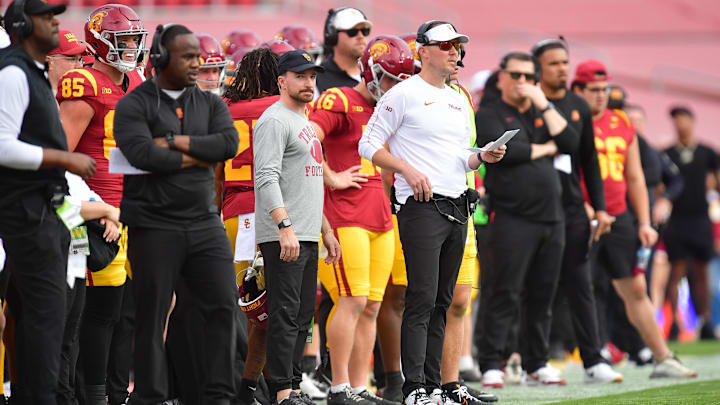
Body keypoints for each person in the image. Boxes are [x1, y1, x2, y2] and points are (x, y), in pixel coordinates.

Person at [358, 21, 504, 405]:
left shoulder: (458, 98)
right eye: (446, 46)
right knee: (421, 297)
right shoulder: (403, 94)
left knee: (442, 299)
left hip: (457, 204)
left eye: (457, 46)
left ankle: (436, 385)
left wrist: (481, 156)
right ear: (423, 51)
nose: (455, 52)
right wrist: (405, 168)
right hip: (421, 207)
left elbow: (459, 156)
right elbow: (368, 143)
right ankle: (414, 388)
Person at [113, 24, 239, 404]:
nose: (196, 65)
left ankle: (218, 395)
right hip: (153, 224)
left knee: (222, 305)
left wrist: (173, 143)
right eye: (187, 56)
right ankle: (151, 396)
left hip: (203, 222)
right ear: (160, 59)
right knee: (151, 316)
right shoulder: (133, 104)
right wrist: (200, 154)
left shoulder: (211, 102)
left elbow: (228, 144)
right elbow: (142, 155)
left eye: (198, 57)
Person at [571, 59, 698, 378]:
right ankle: (589, 357)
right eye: (594, 90)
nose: (602, 96)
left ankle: (662, 356)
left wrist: (643, 221)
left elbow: (636, 177)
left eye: (604, 89)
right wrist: (582, 207)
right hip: (580, 214)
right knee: (581, 288)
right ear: (578, 89)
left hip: (620, 216)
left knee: (635, 288)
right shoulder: (570, 120)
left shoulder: (621, 122)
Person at [0, 0, 97, 403]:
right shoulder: (12, 71)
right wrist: (63, 157)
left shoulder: (31, 70)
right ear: (23, 26)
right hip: (25, 208)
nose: (56, 23)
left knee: (49, 316)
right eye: (46, 17)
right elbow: (2, 144)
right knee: (44, 315)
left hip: (44, 207)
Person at [309, 35, 414, 405]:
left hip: (379, 214)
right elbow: (306, 137)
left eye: (401, 79)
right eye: (389, 78)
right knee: (351, 300)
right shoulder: (338, 98)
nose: (395, 87)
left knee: (371, 304)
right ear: (370, 70)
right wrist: (331, 176)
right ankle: (338, 386)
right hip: (342, 212)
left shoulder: (391, 108)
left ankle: (359, 386)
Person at [55, 5, 147, 403]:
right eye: (122, 40)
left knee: (129, 314)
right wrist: (93, 210)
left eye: (133, 40)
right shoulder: (84, 82)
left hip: (134, 211)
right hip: (97, 214)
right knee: (100, 312)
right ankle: (91, 394)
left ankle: (115, 392)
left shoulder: (138, 82)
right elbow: (59, 157)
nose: (130, 48)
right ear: (100, 41)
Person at [475, 51, 577, 388]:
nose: (522, 82)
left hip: (552, 217)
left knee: (543, 294)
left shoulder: (540, 109)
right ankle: (492, 361)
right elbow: (506, 154)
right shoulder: (490, 111)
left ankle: (537, 361)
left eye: (528, 77)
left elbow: (570, 142)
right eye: (515, 75)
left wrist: (545, 104)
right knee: (504, 292)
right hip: (511, 217)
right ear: (501, 76)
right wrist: (545, 149)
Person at [253, 49, 341, 405]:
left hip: (305, 233)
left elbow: (310, 181)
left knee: (303, 317)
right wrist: (284, 226)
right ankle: (281, 393)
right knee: (286, 316)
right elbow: (265, 176)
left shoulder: (303, 120)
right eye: (301, 76)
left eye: (312, 77)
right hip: (285, 235)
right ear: (282, 81)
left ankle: (291, 386)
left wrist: (325, 229)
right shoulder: (275, 120)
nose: (309, 83)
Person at [531, 37, 622, 383]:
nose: (562, 69)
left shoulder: (578, 106)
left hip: (570, 209)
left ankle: (593, 359)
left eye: (565, 62)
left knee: (580, 284)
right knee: (534, 286)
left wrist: (598, 208)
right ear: (538, 67)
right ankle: (529, 360)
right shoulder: (528, 105)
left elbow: (589, 163)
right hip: (533, 209)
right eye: (554, 63)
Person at [220, 47, 281, 405]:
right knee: (274, 309)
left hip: (233, 212)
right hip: (272, 213)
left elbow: (216, 174)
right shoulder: (281, 109)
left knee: (250, 307)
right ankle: (271, 386)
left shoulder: (225, 111)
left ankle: (248, 387)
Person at [663, 106, 719, 340]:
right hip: (675, 221)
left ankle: (705, 321)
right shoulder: (666, 154)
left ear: (691, 121)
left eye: (683, 119)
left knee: (701, 271)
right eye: (676, 120)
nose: (680, 124)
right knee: (675, 271)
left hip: (700, 220)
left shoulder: (707, 152)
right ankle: (674, 323)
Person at [317, 7, 371, 93]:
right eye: (352, 32)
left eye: (365, 31)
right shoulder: (317, 78)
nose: (361, 36)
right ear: (332, 36)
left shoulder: (376, 75)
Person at [46, 29, 85, 94]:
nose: (80, 66)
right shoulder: (33, 96)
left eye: (80, 59)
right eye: (72, 59)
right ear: (49, 62)